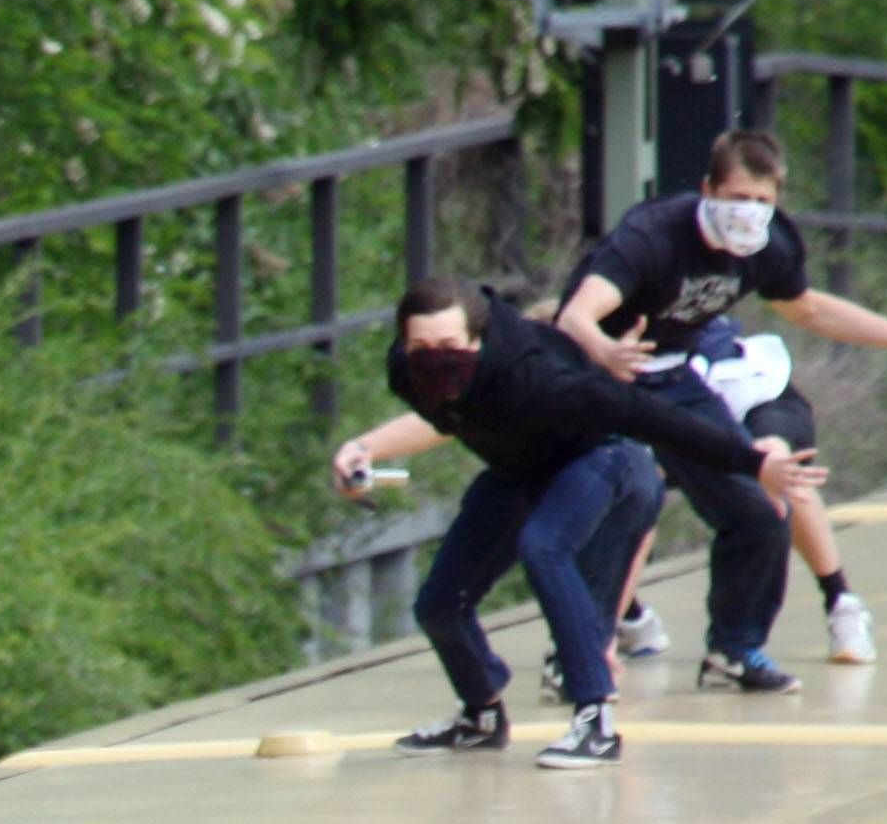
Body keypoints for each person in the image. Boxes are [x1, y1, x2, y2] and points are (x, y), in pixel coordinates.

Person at [332, 277, 828, 766]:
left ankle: (596, 719)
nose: (434, 359)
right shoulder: (406, 371)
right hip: (519, 470)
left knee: (544, 547)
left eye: (449, 346)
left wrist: (752, 462)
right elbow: (441, 421)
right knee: (440, 603)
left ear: (477, 341)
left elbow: (650, 417)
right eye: (421, 346)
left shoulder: (538, 378)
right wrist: (364, 449)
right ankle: (480, 714)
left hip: (605, 458)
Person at [560, 127, 887, 684]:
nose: (748, 215)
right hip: (599, 376)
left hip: (670, 378)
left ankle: (733, 650)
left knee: (758, 509)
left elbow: (808, 311)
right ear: (708, 189)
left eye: (762, 202)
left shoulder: (769, 245)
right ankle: (575, 658)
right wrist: (607, 351)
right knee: (629, 500)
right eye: (736, 200)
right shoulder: (654, 235)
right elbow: (575, 316)